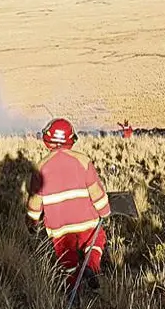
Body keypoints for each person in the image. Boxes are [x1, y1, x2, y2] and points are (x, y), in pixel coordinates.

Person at [27, 118, 112, 291]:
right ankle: (91, 266)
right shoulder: (83, 161)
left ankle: (72, 288)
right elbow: (96, 192)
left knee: (67, 260)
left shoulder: (40, 167)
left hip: (60, 228)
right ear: (70, 139)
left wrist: (32, 221)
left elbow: (35, 201)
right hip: (87, 222)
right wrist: (105, 212)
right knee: (96, 241)